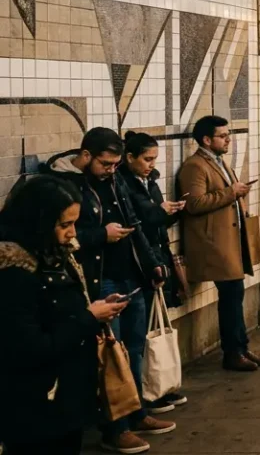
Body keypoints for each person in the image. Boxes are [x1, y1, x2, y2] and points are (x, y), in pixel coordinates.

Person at [40, 128, 173, 451]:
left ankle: (137, 409)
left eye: (115, 164)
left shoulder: (116, 181)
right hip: (99, 278)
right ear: (86, 156)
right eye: (105, 163)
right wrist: (102, 234)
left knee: (135, 346)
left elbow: (134, 223)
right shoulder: (65, 185)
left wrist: (152, 261)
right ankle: (116, 427)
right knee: (110, 354)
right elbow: (62, 237)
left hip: (131, 274)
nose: (111, 169)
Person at [0, 176, 129, 455]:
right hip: (35, 407)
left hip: (67, 400)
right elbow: (30, 347)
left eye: (74, 223)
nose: (72, 233)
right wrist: (88, 318)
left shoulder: (58, 256)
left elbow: (65, 312)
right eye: (65, 225)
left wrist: (97, 308)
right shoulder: (13, 273)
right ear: (38, 222)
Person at [178, 116, 260, 375]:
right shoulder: (195, 166)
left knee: (235, 294)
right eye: (223, 135)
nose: (228, 139)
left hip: (229, 240)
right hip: (213, 243)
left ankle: (240, 346)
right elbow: (194, 204)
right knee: (231, 295)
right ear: (206, 139)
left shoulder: (218, 162)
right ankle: (233, 352)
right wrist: (232, 193)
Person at [118, 132, 189, 411]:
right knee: (140, 333)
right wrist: (160, 211)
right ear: (130, 157)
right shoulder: (124, 183)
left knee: (153, 328)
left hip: (156, 254)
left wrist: (170, 210)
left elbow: (155, 218)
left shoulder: (149, 180)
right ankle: (145, 393)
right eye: (146, 159)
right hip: (139, 262)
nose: (151, 165)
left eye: (154, 159)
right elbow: (142, 220)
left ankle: (157, 385)